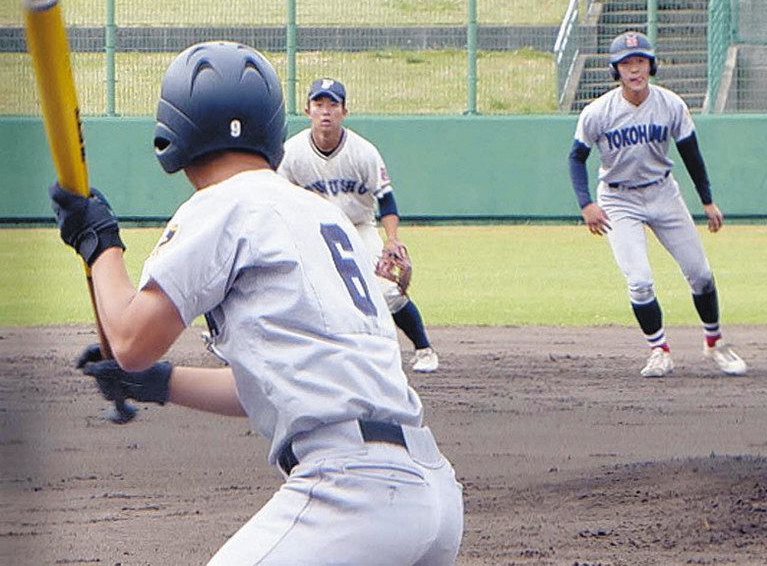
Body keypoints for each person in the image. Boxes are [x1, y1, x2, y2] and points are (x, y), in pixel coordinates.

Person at [52, 41, 463, 564]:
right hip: (430, 491)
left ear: (172, 132)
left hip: (352, 494)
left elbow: (129, 340)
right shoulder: (323, 216)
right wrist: (160, 382)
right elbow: (277, 385)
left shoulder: (222, 203)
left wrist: (99, 240)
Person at [568, 30, 748, 379]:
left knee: (700, 274)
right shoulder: (598, 112)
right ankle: (659, 350)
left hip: (663, 193)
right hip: (619, 199)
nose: (634, 70)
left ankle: (715, 343)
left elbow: (691, 154)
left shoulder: (670, 104)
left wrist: (707, 201)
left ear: (651, 65)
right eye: (626, 63)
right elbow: (576, 158)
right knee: (639, 281)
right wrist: (586, 204)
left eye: (640, 62)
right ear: (615, 70)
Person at [279, 77, 441, 373]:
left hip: (359, 227)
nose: (325, 111)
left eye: (333, 104)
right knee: (292, 289)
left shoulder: (362, 151)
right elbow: (276, 199)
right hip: (312, 231)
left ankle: (424, 349)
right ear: (307, 110)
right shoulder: (292, 153)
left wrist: (391, 240)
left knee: (387, 291)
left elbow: (387, 200)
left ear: (344, 111)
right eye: (319, 104)